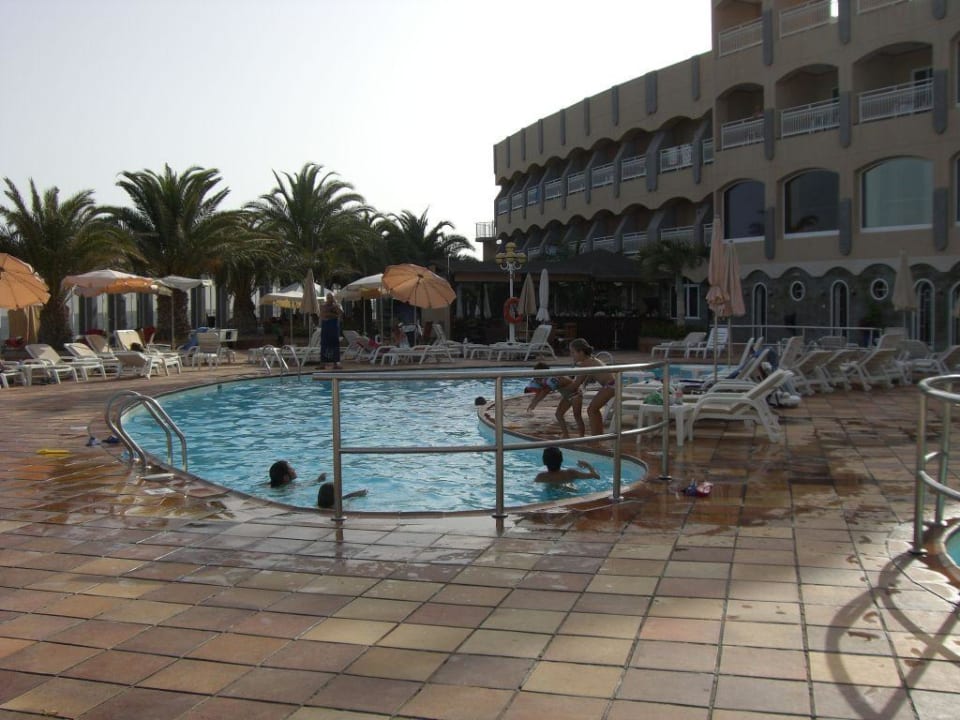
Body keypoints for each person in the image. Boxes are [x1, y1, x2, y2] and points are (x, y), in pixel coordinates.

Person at [567, 338, 616, 437]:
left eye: (573, 352)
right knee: (593, 410)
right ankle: (598, 436)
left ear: (581, 352)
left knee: (592, 410)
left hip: (610, 386)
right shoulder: (591, 360)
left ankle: (596, 438)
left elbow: (576, 384)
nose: (571, 355)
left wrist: (558, 386)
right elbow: (584, 381)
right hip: (612, 384)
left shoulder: (586, 364)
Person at [525, 362, 585, 438]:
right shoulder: (543, 379)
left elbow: (545, 391)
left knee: (577, 416)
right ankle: (566, 435)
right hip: (567, 396)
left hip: (576, 395)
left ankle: (582, 437)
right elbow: (540, 392)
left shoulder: (552, 378)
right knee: (558, 415)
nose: (536, 375)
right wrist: (532, 404)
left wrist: (534, 404)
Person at [534, 446, 600, 484]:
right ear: (562, 460)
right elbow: (596, 476)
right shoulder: (571, 473)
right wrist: (588, 465)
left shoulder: (541, 476)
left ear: (544, 462)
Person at [319, 292, 343, 369]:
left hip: (333, 327)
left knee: (334, 345)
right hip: (326, 326)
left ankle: (335, 363)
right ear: (326, 298)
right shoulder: (323, 306)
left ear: (333, 298)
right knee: (324, 344)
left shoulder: (337, 305)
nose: (330, 299)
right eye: (328, 298)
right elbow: (323, 315)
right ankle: (323, 363)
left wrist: (332, 311)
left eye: (331, 298)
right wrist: (332, 314)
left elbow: (340, 313)